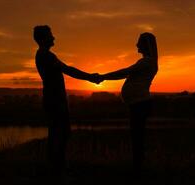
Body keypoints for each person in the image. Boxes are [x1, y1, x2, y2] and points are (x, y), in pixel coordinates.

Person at [33, 25, 100, 176]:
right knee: (61, 134)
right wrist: (90, 77)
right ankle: (58, 168)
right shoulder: (46, 56)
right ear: (43, 38)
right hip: (55, 101)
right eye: (50, 35)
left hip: (53, 100)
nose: (53, 37)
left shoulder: (43, 55)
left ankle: (55, 167)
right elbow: (68, 70)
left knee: (57, 133)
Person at [98, 32, 158, 174]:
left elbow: (124, 72)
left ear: (146, 45)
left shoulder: (147, 62)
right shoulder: (147, 61)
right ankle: (138, 166)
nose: (137, 45)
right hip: (138, 104)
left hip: (140, 104)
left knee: (137, 136)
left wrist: (103, 77)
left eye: (139, 42)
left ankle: (138, 169)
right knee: (137, 136)